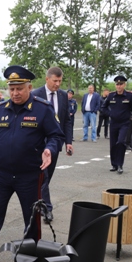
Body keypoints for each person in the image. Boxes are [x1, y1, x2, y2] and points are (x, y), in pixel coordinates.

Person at [0, 65, 64, 262]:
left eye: (20, 89)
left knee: (32, 217)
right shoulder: (1, 110)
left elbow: (56, 135)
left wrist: (50, 150)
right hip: (2, 175)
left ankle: (31, 255)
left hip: (30, 175)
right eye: (12, 89)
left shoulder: (42, 109)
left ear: (29, 87)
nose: (15, 93)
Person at [31, 66, 73, 223]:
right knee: (43, 175)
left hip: (55, 142)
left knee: (47, 177)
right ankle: (46, 208)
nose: (57, 84)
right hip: (39, 143)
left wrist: (68, 142)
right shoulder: (35, 95)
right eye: (55, 81)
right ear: (47, 79)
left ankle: (38, 202)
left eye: (60, 81)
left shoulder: (63, 96)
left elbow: (67, 121)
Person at [101, 75, 132, 174]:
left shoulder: (129, 96)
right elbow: (103, 108)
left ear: (124, 85)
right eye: (117, 84)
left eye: (121, 84)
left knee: (121, 142)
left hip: (124, 123)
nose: (119, 86)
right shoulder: (111, 96)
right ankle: (114, 164)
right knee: (113, 144)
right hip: (113, 123)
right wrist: (110, 114)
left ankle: (120, 165)